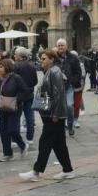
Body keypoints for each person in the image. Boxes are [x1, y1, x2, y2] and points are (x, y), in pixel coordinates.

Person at [19, 50, 75, 181]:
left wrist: (56, 114)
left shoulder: (54, 72)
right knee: (58, 144)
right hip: (50, 114)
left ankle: (36, 171)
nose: (41, 61)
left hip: (53, 115)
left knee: (45, 142)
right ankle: (67, 170)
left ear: (52, 60)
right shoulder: (51, 72)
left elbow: (59, 94)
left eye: (44, 59)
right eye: (40, 58)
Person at [0, 58, 27, 162]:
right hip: (3, 107)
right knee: (3, 131)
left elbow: (25, 91)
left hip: (15, 107)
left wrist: (17, 100)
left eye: (1, 66)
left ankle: (22, 145)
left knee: (12, 129)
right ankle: (7, 154)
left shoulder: (16, 78)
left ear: (7, 67)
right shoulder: (0, 79)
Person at [55, 39, 84, 136]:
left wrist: (73, 81)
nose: (60, 47)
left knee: (69, 106)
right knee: (59, 108)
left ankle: (70, 125)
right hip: (57, 88)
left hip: (68, 86)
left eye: (62, 45)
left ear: (66, 46)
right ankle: (61, 127)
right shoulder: (54, 58)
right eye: (59, 45)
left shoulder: (73, 58)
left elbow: (78, 72)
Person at [14, 48, 39, 143]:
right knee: (29, 117)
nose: (14, 56)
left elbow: (14, 81)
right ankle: (30, 138)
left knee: (16, 117)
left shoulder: (15, 66)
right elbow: (35, 81)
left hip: (18, 95)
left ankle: (15, 139)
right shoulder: (32, 65)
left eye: (15, 55)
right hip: (29, 94)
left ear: (19, 56)